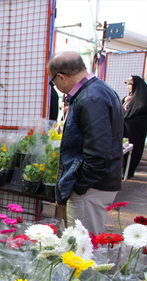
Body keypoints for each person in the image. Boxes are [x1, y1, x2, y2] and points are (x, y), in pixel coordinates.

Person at [47, 51, 123, 235]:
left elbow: (97, 153)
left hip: (91, 188)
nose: (55, 86)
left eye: (53, 82)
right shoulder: (98, 90)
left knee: (83, 247)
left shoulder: (90, 98)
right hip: (96, 185)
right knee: (84, 243)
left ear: (61, 77)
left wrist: (79, 187)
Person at [122, 75, 147, 178]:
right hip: (125, 131)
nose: (128, 87)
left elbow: (138, 110)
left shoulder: (142, 99)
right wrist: (125, 100)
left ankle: (128, 171)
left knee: (133, 151)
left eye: (129, 84)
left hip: (135, 132)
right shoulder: (129, 97)